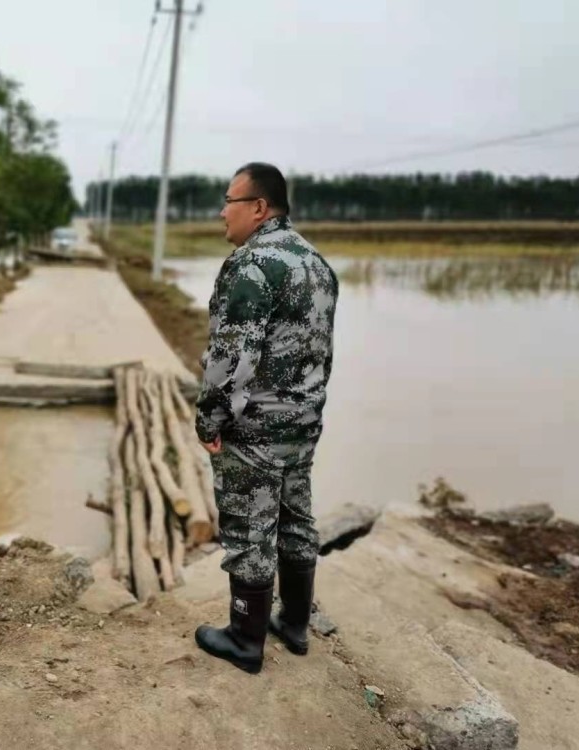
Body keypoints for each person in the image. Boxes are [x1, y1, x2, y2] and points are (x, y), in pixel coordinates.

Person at [193, 162, 338, 674]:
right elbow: (319, 353)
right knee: (296, 520)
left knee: (249, 529)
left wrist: (209, 421)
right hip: (303, 424)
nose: (221, 213)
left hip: (255, 428)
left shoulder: (251, 264)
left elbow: (231, 360)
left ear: (258, 207)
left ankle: (244, 639)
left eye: (229, 202)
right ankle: (294, 624)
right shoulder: (317, 264)